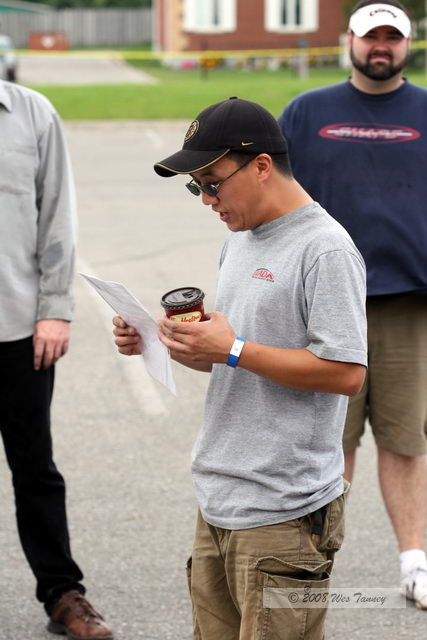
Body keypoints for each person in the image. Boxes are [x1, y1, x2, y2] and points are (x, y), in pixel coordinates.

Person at [113, 96, 367, 639]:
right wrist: (166, 341)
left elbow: (346, 372)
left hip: (283, 512)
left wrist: (232, 349)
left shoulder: (325, 249)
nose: (207, 200)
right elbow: (239, 357)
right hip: (220, 499)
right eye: (196, 187)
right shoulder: (241, 240)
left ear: (261, 166)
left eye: (212, 183)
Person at [278, 0, 427, 611]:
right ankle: (313, 565)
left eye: (393, 36)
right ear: (349, 40)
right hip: (323, 303)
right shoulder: (307, 111)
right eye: (371, 36)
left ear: (408, 44)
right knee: (327, 443)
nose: (381, 46)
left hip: (407, 305)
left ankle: (415, 564)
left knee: (405, 439)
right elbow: (271, 197)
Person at [0, 80, 113, 639]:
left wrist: (55, 310)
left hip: (18, 327)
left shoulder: (31, 113)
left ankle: (62, 593)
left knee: (35, 469)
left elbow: (57, 217)